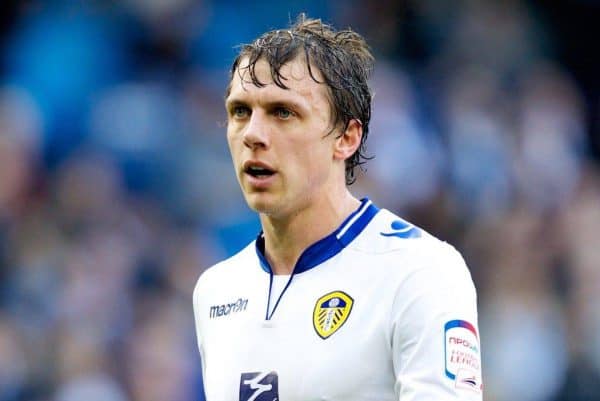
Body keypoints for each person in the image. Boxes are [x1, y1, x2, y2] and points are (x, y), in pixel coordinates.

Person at [193, 14, 482, 401]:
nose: (253, 135)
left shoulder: (420, 271)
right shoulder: (216, 291)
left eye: (283, 112)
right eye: (240, 112)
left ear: (346, 137)